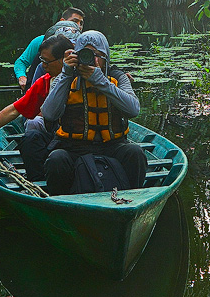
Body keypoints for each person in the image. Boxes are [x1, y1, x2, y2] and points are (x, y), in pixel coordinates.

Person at [37, 30, 147, 194]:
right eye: (87, 54)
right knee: (56, 159)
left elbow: (133, 110)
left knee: (135, 153)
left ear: (106, 58)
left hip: (112, 145)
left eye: (98, 55)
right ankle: (61, 202)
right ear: (77, 55)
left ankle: (131, 199)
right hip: (73, 147)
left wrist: (101, 82)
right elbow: (49, 114)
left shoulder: (117, 77)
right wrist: (66, 75)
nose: (93, 60)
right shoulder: (66, 76)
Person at [0, 34, 74, 179]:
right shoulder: (45, 82)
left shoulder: (85, 79)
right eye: (41, 61)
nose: (43, 66)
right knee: (31, 138)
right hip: (57, 139)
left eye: (47, 62)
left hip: (82, 143)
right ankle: (38, 183)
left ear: (64, 59)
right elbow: (13, 110)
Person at [13, 7, 85, 91]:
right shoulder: (40, 42)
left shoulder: (82, 43)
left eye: (81, 23)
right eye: (75, 21)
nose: (79, 26)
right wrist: (22, 77)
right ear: (62, 21)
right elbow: (21, 61)